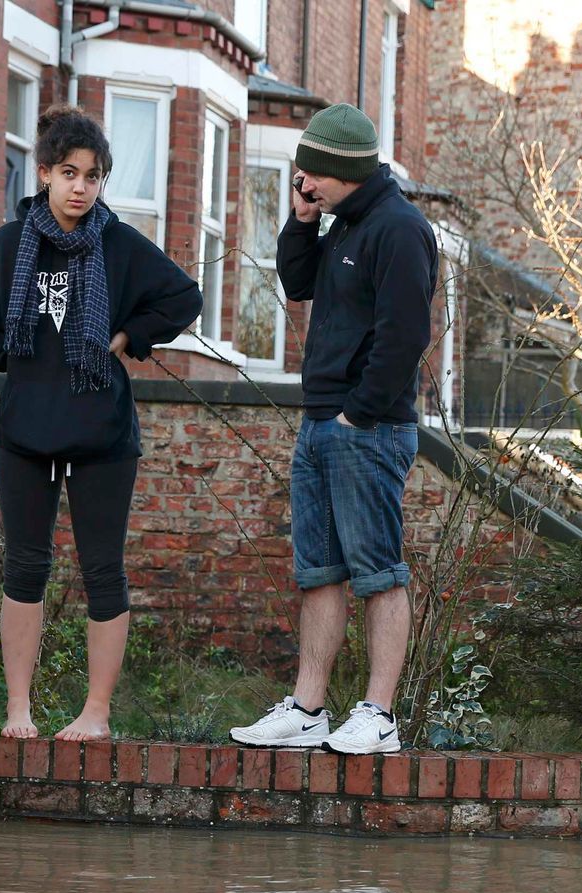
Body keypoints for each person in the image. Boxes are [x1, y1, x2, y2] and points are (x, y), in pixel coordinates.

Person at [0, 106, 202, 741]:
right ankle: (18, 710)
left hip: (103, 435)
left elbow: (184, 297)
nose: (81, 187)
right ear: (45, 174)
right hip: (26, 430)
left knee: (102, 569)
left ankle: (96, 714)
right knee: (24, 567)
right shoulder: (11, 245)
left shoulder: (119, 245)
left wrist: (125, 337)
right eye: (69, 173)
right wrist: (12, 357)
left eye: (93, 176)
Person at [230, 104, 438, 756]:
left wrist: (359, 413)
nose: (303, 181)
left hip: (366, 429)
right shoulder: (343, 224)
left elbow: (405, 336)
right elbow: (296, 283)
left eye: (311, 174)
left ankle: (378, 714)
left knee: (377, 571)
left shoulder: (398, 229)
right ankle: (309, 709)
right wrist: (301, 220)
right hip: (319, 422)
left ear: (343, 171)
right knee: (318, 571)